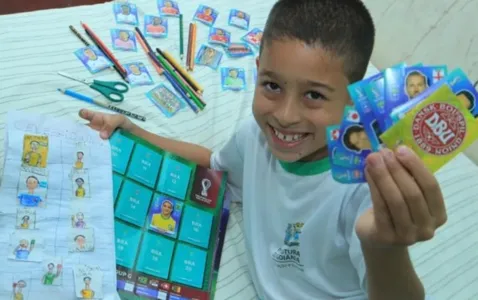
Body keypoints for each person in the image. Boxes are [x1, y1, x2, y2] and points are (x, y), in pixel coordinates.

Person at [79, 0, 446, 299]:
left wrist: (384, 247)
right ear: (257, 71)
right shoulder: (255, 136)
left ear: (355, 98)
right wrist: (135, 131)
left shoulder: (362, 189)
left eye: (314, 95)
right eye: (271, 85)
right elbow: (214, 166)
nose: (284, 116)